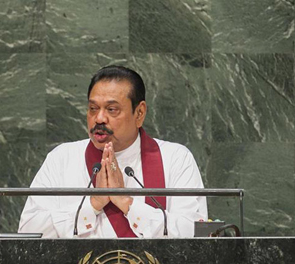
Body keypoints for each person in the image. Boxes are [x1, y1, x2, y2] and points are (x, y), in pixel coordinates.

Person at [18, 66, 207, 238]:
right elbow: (28, 234)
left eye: (112, 109)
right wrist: (93, 204)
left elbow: (195, 236)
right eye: (93, 109)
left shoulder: (175, 159)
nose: (99, 118)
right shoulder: (62, 159)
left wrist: (126, 203)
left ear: (139, 113)